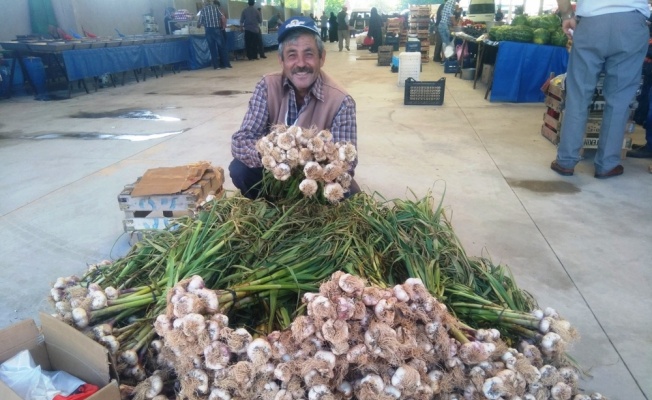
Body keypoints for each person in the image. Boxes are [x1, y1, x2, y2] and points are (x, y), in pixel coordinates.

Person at [229, 16, 359, 199]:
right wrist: (274, 157)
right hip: (274, 174)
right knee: (239, 169)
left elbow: (348, 162)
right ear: (281, 60)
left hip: (316, 180)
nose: (300, 64)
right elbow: (241, 140)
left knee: (349, 193)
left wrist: (305, 163)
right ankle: (272, 207)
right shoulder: (267, 87)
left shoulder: (341, 100)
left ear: (322, 58)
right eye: (292, 55)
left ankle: (310, 217)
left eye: (309, 54)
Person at [550, 0, 649, 178]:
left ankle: (566, 161)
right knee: (619, 99)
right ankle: (607, 164)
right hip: (631, 23)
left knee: (578, 95)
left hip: (591, 23)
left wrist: (567, 14)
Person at [197, 0, 232, 70]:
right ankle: (226, 65)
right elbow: (222, 17)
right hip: (217, 29)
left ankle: (216, 66)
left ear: (205, 3)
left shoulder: (203, 10)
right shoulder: (216, 8)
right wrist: (223, 26)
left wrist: (199, 25)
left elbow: (199, 22)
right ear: (211, 2)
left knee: (212, 48)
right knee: (222, 47)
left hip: (208, 31)